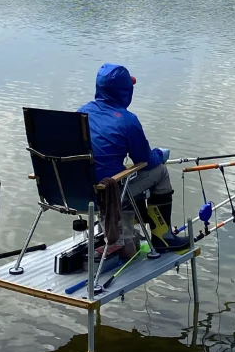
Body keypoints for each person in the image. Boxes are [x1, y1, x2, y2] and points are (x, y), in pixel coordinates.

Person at [79, 63, 189, 254]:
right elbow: (145, 160)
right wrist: (159, 154)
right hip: (107, 191)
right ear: (125, 91)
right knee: (160, 172)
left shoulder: (80, 113)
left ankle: (126, 229)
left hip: (75, 192)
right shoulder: (127, 120)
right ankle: (162, 237)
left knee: (121, 172)